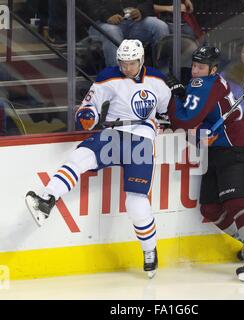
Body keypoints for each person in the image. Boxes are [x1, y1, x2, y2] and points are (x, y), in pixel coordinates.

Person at [25, 39, 172, 279]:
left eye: (131, 63)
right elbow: (90, 105)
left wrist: (167, 120)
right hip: (114, 134)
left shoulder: (157, 80)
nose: (126, 68)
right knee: (80, 157)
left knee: (135, 201)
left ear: (141, 59)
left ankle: (149, 251)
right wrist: (87, 115)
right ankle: (47, 199)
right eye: (123, 63)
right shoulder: (108, 76)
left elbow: (166, 112)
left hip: (142, 140)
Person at [167, 45, 244, 282]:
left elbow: (186, 120)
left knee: (236, 202)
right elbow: (199, 111)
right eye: (194, 65)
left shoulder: (204, 84)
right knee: (211, 208)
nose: (195, 71)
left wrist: (173, 96)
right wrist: (182, 95)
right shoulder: (212, 82)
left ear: (213, 69)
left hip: (234, 149)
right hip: (216, 152)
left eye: (201, 67)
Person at [85, 0, 169, 66]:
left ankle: (163, 74)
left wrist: (140, 11)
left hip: (133, 21)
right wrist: (106, 16)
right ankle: (116, 78)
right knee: (112, 32)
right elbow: (89, 5)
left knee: (160, 26)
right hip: (102, 22)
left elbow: (147, 2)